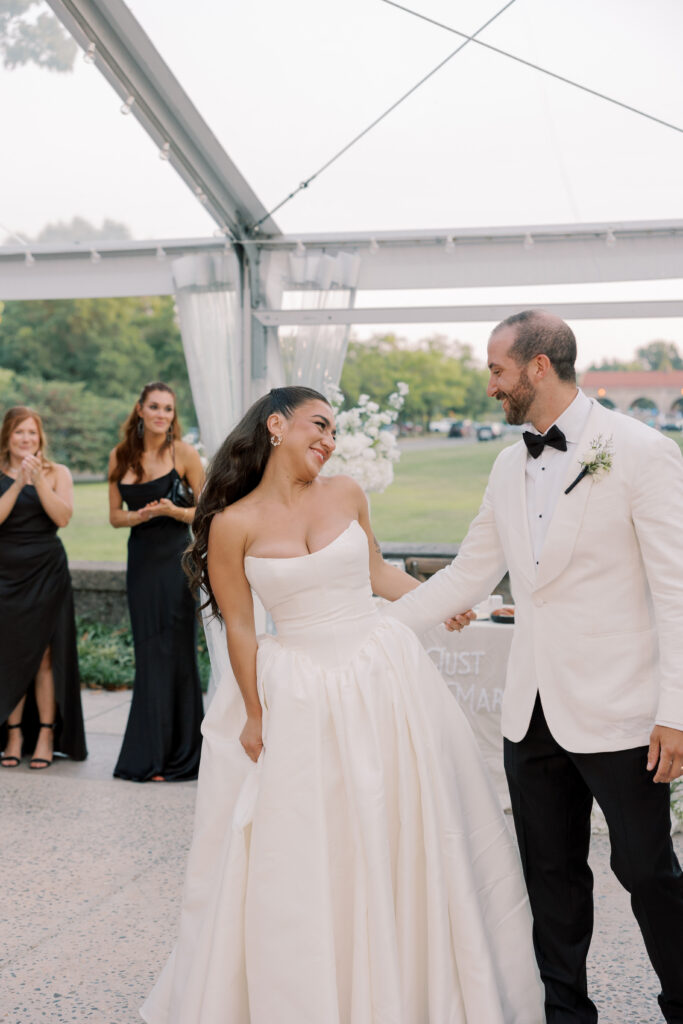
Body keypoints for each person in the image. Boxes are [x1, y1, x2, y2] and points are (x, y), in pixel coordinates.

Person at [140, 385, 543, 1024]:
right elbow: (240, 627)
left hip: (380, 676)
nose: (329, 440)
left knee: (395, 819)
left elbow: (376, 572)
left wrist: (440, 602)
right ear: (276, 426)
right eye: (319, 425)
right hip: (298, 692)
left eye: (335, 431)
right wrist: (254, 714)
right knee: (310, 837)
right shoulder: (231, 524)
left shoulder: (348, 493)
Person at [385, 310, 683, 1024]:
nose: (491, 385)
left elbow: (676, 591)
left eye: (497, 370)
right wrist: (373, 628)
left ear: (538, 366)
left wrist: (676, 711)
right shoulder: (504, 464)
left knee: (647, 872)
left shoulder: (642, 451)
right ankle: (564, 1014)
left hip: (622, 710)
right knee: (549, 878)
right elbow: (469, 573)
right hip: (531, 713)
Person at [108, 382, 205, 782]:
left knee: (178, 652)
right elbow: (115, 516)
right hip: (142, 564)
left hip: (176, 563)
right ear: (140, 410)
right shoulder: (120, 455)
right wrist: (141, 516)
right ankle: (148, 754)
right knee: (149, 652)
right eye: (155, 407)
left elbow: (209, 510)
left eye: (168, 408)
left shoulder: (183, 453)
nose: (162, 414)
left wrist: (173, 511)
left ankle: (180, 756)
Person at [0, 406, 86, 769]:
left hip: (46, 573)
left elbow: (62, 517)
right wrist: (18, 482)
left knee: (46, 657)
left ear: (40, 438)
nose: (26, 439)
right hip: (6, 575)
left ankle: (47, 735)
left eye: (32, 432)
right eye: (19, 432)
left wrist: (37, 480)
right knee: (9, 652)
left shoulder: (57, 472)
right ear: (7, 436)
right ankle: (14, 735)